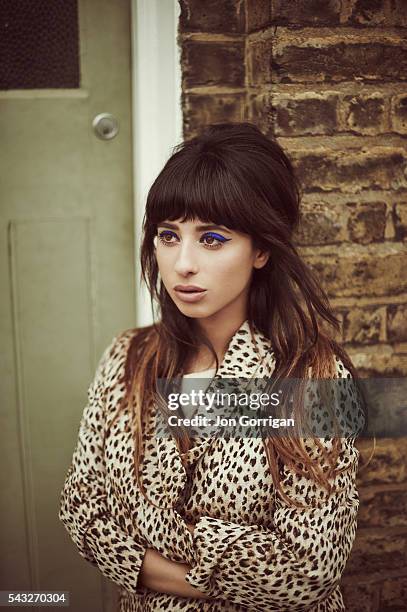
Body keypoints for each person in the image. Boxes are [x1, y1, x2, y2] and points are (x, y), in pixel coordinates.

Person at [59, 122, 367, 611]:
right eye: (168, 235)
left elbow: (308, 573)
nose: (182, 263)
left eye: (212, 239)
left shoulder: (314, 378)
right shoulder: (127, 358)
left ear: (261, 249)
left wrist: (145, 541)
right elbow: (82, 512)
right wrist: (228, 564)